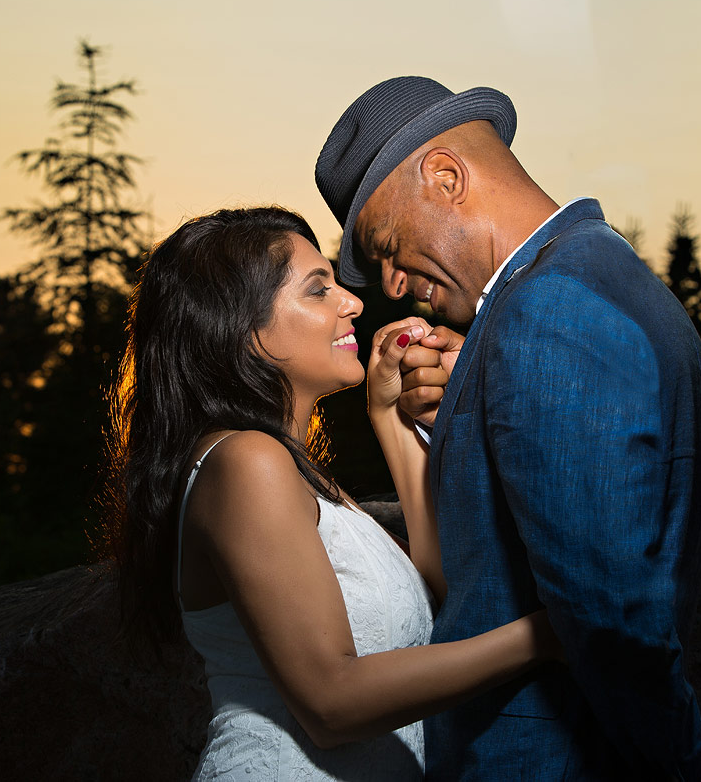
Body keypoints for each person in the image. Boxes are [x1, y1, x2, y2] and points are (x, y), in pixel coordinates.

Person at [315, 77, 701, 780]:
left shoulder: (549, 314)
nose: (389, 286)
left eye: (388, 245)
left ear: (447, 176)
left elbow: (609, 620)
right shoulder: (603, 279)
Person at [101, 206, 563, 781]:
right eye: (319, 290)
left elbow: (451, 596)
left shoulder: (296, 477)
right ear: (241, 329)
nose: (353, 302)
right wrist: (556, 631)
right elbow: (332, 703)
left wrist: (391, 421)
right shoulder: (247, 461)